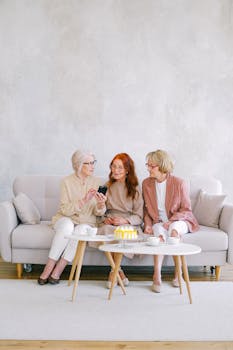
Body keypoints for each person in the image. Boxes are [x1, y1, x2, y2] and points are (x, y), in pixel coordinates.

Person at [38, 150, 106, 285]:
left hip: (87, 222)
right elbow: (64, 209)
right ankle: (48, 267)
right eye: (89, 163)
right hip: (65, 218)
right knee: (67, 226)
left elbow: (99, 213)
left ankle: (58, 270)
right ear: (79, 165)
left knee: (80, 232)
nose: (93, 166)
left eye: (94, 162)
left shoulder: (98, 182)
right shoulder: (66, 182)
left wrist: (100, 204)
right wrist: (83, 201)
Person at [142, 149, 199, 293]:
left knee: (173, 229)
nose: (148, 168)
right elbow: (146, 210)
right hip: (159, 221)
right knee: (159, 234)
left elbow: (186, 209)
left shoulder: (179, 183)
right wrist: (148, 225)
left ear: (162, 166)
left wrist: (172, 220)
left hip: (180, 220)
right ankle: (157, 275)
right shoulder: (146, 183)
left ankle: (178, 272)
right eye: (147, 165)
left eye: (151, 166)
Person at [98, 153, 143, 289]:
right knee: (106, 230)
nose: (115, 170)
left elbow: (139, 216)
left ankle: (114, 272)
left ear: (127, 170)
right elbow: (101, 212)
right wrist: (105, 217)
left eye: (120, 168)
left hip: (127, 223)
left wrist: (125, 221)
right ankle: (119, 271)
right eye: (113, 166)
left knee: (121, 233)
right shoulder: (106, 186)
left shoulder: (135, 188)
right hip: (110, 222)